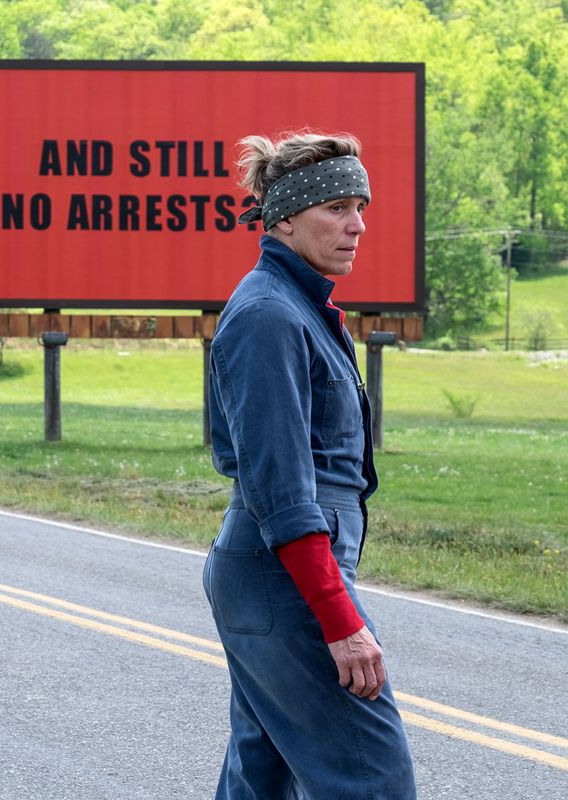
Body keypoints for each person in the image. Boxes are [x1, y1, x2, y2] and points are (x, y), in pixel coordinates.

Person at [202, 131, 417, 799]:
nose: (356, 226)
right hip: (283, 577)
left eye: (361, 207)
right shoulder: (269, 316)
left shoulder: (298, 305)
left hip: (274, 576)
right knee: (372, 778)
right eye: (336, 207)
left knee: (261, 777)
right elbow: (282, 492)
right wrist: (340, 619)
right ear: (285, 218)